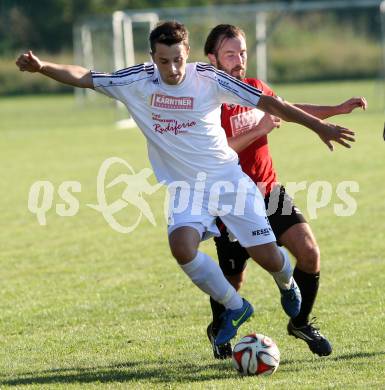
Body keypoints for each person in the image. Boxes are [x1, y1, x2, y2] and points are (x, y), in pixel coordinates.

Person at [16, 21, 356, 350]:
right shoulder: (137, 81)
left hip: (228, 182)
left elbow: (271, 104)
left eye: (178, 60)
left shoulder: (208, 78)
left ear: (188, 52)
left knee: (269, 258)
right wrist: (42, 66)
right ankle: (236, 308)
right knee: (181, 246)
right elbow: (86, 76)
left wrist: (318, 126)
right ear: (152, 57)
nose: (173, 69)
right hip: (185, 189)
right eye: (164, 61)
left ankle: (286, 283)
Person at [203, 24, 367, 358]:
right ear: (212, 59)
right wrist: (260, 129)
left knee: (309, 253)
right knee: (232, 280)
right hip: (230, 201)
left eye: (242, 53)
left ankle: (301, 323)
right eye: (230, 54)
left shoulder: (253, 88)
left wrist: (334, 110)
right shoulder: (206, 103)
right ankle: (219, 327)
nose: (238, 61)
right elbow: (217, 153)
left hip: (269, 191)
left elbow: (287, 108)